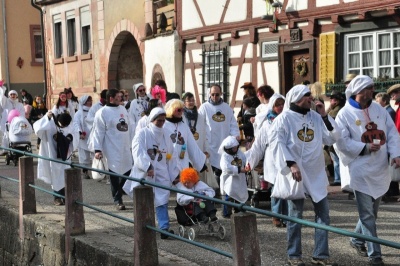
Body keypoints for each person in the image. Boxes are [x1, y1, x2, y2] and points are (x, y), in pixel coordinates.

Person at [269, 84, 339, 266]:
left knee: (323, 214)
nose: (311, 98)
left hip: (315, 172)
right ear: (297, 98)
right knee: (295, 216)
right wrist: (291, 164)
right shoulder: (283, 119)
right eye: (308, 95)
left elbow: (331, 138)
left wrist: (324, 116)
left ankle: (321, 255)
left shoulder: (316, 117)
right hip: (296, 174)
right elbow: (277, 143)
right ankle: (294, 255)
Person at [335, 75, 400, 266]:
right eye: (368, 88)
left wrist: (395, 154)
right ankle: (375, 255)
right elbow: (341, 141)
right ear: (358, 91)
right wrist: (363, 148)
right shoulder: (344, 114)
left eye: (372, 88)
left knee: (372, 213)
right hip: (360, 168)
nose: (372, 92)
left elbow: (392, 134)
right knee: (367, 215)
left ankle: (356, 239)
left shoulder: (378, 109)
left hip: (379, 168)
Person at [123, 107, 179, 239]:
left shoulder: (166, 133)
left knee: (162, 198)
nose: (161, 123)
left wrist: (174, 174)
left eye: (163, 121)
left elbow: (172, 155)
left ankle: (164, 228)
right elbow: (138, 152)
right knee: (145, 199)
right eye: (158, 121)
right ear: (152, 120)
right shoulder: (142, 134)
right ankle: (144, 226)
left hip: (162, 171)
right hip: (146, 172)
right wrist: (147, 167)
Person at [246, 94, 286, 227]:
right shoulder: (266, 125)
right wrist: (250, 162)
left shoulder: (289, 120)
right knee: (276, 187)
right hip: (272, 157)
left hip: (287, 157)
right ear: (272, 106)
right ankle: (276, 215)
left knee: (287, 187)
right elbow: (258, 146)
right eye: (277, 104)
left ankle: (287, 216)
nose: (280, 107)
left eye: (282, 104)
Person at [92, 89, 133, 210]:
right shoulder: (102, 112)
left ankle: (120, 190)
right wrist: (97, 149)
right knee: (114, 174)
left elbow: (129, 126)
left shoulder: (122, 109)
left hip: (125, 146)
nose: (121, 98)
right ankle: (117, 200)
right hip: (111, 147)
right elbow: (98, 132)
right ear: (111, 98)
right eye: (118, 97)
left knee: (128, 171)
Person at [198, 84, 240, 195]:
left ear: (221, 94)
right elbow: (200, 126)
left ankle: (224, 193)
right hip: (210, 144)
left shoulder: (227, 108)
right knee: (212, 171)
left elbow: (233, 124)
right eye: (213, 94)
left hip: (224, 144)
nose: (215, 97)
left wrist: (235, 136)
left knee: (224, 169)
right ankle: (212, 193)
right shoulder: (204, 108)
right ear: (209, 94)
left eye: (217, 94)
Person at [33, 111, 74, 206]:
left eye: (64, 126)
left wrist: (68, 138)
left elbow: (74, 135)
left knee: (64, 175)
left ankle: (65, 196)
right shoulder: (50, 125)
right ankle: (57, 197)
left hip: (64, 156)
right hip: (52, 154)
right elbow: (37, 128)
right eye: (61, 125)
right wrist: (46, 117)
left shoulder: (69, 125)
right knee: (55, 176)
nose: (62, 127)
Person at [164, 99, 207, 172]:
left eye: (182, 110)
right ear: (171, 110)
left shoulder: (184, 126)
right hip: (168, 162)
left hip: (183, 162)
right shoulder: (164, 125)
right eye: (178, 110)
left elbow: (192, 145)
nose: (181, 112)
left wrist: (201, 165)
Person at [219, 136, 249, 218]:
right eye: (234, 148)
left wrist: (247, 165)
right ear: (228, 149)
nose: (236, 149)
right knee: (228, 197)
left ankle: (239, 210)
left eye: (236, 147)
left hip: (240, 180)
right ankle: (226, 213)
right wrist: (239, 170)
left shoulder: (239, 153)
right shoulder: (225, 157)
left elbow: (245, 159)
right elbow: (226, 168)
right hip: (229, 181)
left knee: (240, 195)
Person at [326, 91, 345, 186]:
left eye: (332, 99)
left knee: (337, 160)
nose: (330, 101)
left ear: (337, 101)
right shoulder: (336, 109)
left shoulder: (336, 111)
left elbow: (325, 119)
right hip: (335, 139)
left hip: (335, 139)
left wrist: (330, 108)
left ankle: (338, 179)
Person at [73, 95, 93, 179]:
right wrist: (80, 132)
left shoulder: (93, 111)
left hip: (92, 135)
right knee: (84, 156)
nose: (90, 102)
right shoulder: (79, 113)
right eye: (88, 101)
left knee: (94, 154)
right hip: (83, 137)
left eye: (91, 100)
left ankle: (98, 173)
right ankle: (85, 172)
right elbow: (76, 123)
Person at [0, 87, 25, 155]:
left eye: (14, 94)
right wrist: (2, 88)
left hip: (16, 122)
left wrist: (20, 120)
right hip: (7, 122)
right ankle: (5, 149)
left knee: (15, 135)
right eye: (11, 94)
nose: (12, 96)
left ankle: (16, 149)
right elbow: (2, 98)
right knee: (6, 135)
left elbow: (22, 112)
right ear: (9, 95)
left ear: (16, 95)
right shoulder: (6, 102)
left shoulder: (19, 104)